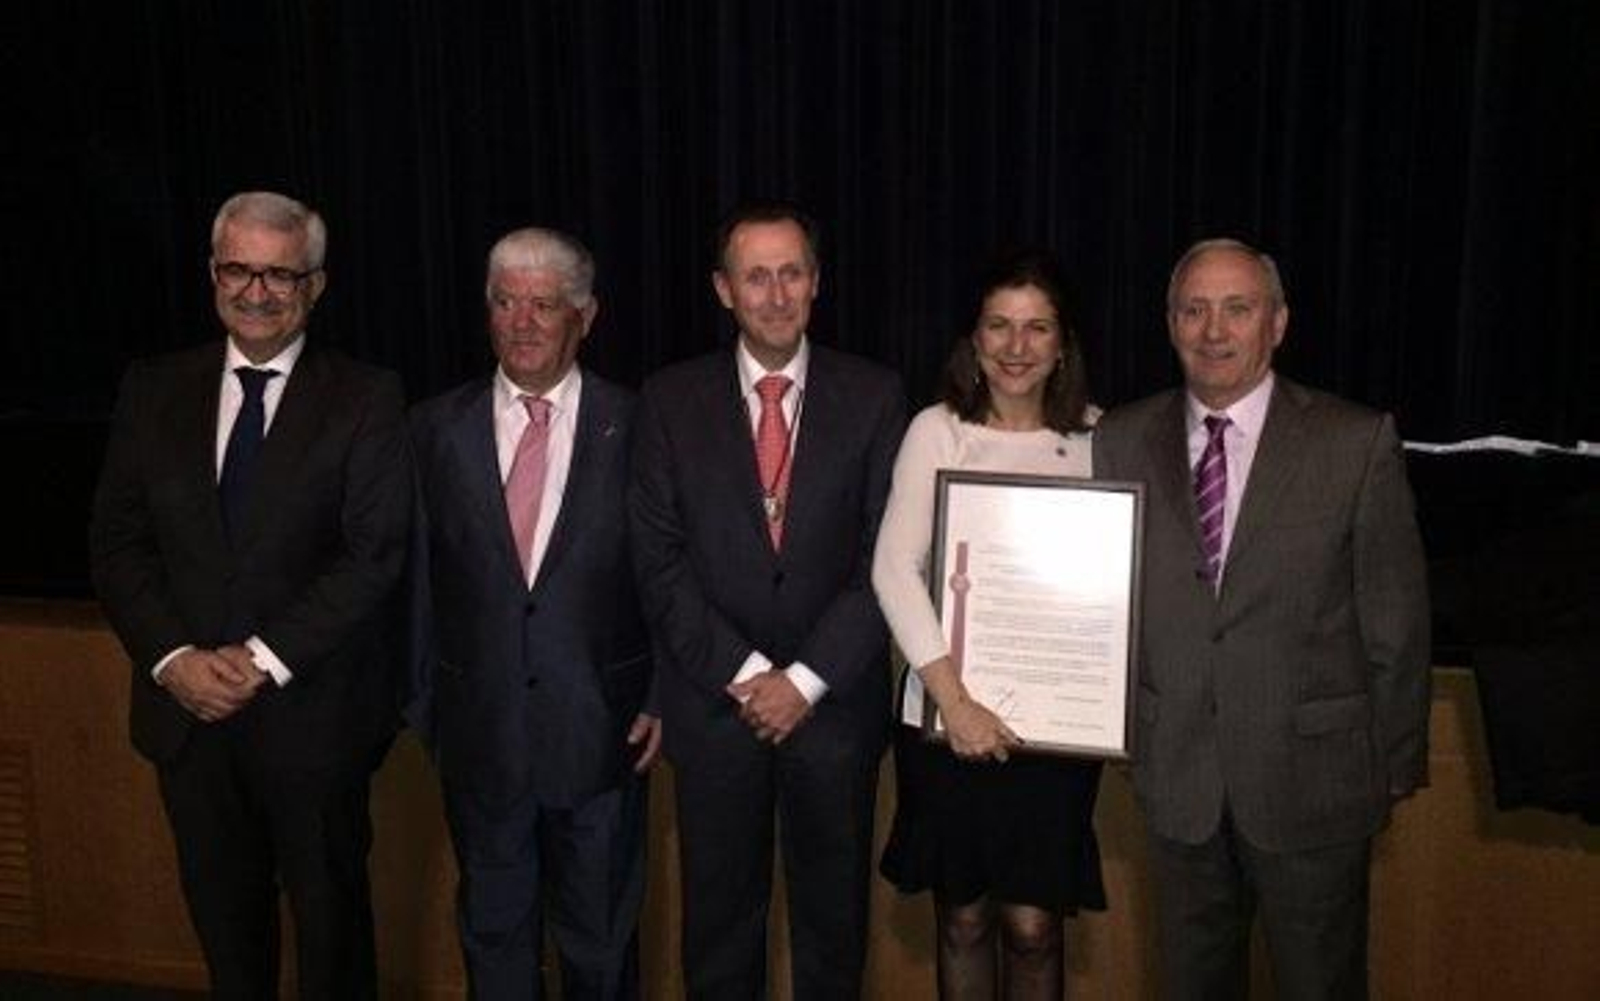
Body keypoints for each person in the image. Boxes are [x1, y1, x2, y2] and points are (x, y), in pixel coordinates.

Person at [89, 190, 410, 999]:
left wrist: (260, 659)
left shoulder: (367, 397)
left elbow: (373, 556)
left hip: (314, 720)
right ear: (212, 273)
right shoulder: (152, 388)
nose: (256, 291)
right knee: (229, 942)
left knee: (334, 941)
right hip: (187, 722)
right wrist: (173, 660)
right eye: (239, 269)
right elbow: (117, 544)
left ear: (315, 285)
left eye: (279, 273)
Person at [1093, 238, 1430, 998]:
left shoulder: (1355, 440)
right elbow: (1107, 605)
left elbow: (1396, 621)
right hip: (1178, 780)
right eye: (1195, 309)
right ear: (1170, 322)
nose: (1215, 330)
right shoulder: (1120, 438)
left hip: (1315, 785)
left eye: (1237, 308)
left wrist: (1394, 765)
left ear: (1277, 323)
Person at [629, 200, 906, 998]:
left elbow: (883, 558)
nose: (776, 294)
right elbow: (659, 562)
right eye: (757, 276)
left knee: (833, 930)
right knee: (717, 930)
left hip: (833, 712)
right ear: (724, 289)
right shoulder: (669, 400)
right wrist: (753, 675)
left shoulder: (876, 395)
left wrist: (804, 681)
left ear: (817, 283)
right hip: (716, 712)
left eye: (792, 274)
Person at [405, 227, 660, 1000]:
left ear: (585, 315)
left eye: (543, 304)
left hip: (604, 731)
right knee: (494, 935)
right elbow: (415, 580)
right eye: (506, 301)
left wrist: (659, 698)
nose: (522, 322)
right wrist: (427, 706)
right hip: (479, 736)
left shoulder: (642, 425)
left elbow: (668, 574)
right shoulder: (432, 429)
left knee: (602, 944)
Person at [871, 251, 1107, 998]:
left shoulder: (1104, 440)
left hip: (1057, 727)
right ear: (973, 340)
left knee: (1034, 926)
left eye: (1037, 328)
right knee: (964, 918)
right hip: (947, 722)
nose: (1016, 346)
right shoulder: (936, 432)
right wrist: (957, 703)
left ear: (1063, 343)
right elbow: (892, 571)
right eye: (999, 326)